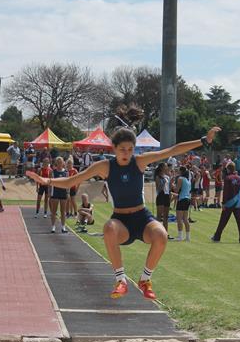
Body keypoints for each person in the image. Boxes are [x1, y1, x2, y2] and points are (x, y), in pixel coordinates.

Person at [27, 103, 220, 300]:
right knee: (108, 228)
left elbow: (171, 150)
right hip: (121, 221)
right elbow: (72, 181)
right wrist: (47, 181)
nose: (126, 153)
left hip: (142, 218)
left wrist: (204, 140)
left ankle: (145, 280)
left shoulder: (140, 161)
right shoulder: (105, 166)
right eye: (122, 150)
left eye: (130, 149)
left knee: (161, 235)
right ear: (114, 149)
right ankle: (121, 280)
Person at [210, 161, 240, 243]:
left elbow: (225, 192)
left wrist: (223, 203)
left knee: (223, 221)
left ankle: (217, 237)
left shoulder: (227, 178)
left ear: (228, 169)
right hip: (238, 203)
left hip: (229, 203)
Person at [48, 156, 69, 233]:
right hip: (55, 192)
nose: (60, 164)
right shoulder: (52, 172)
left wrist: (68, 192)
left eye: (61, 162)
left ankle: (63, 227)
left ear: (63, 163)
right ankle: (53, 227)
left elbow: (68, 183)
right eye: (58, 162)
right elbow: (49, 183)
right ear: (56, 163)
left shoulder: (66, 172)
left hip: (63, 192)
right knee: (54, 211)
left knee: (63, 211)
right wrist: (49, 192)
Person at [172, 166, 192, 242]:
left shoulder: (180, 179)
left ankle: (180, 236)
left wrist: (172, 185)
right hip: (187, 199)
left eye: (178, 170)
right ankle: (188, 237)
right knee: (185, 219)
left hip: (182, 199)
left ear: (181, 171)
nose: (178, 172)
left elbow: (176, 190)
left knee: (179, 219)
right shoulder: (188, 180)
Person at [153, 162, 172, 237]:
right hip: (161, 196)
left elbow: (169, 188)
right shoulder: (158, 177)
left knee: (166, 217)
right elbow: (159, 188)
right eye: (165, 166)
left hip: (166, 196)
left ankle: (165, 234)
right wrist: (163, 182)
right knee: (159, 216)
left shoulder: (167, 177)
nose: (167, 167)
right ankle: (157, 234)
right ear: (162, 168)